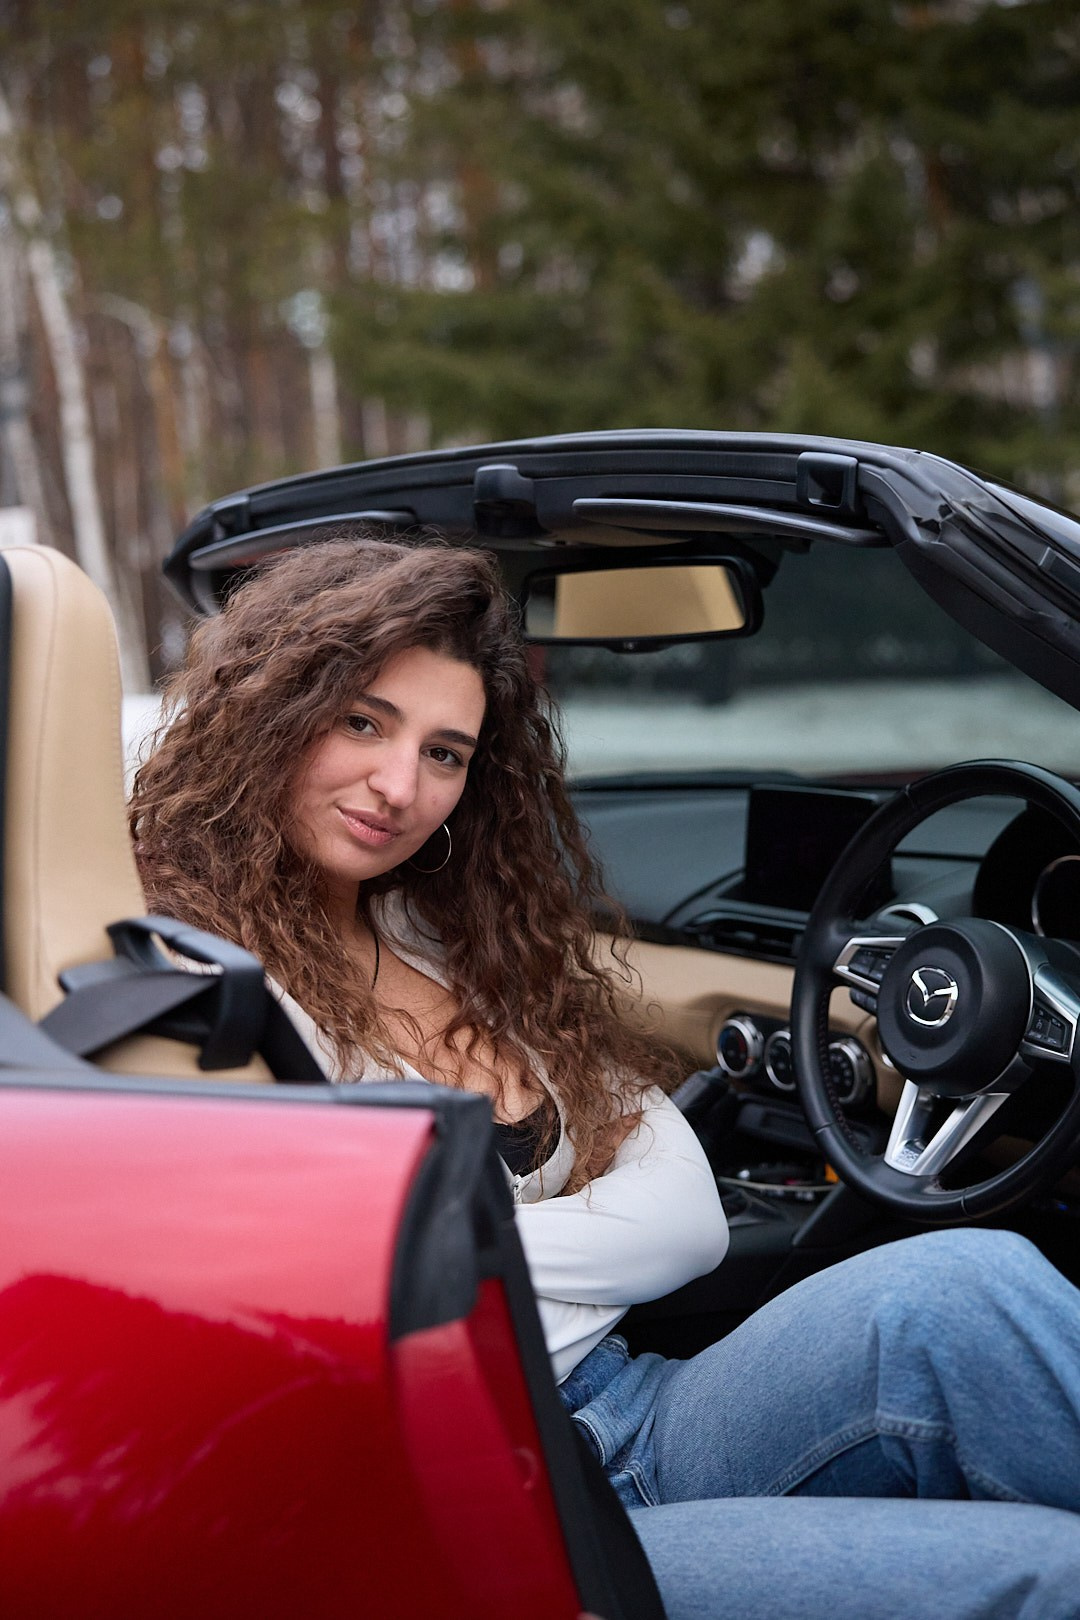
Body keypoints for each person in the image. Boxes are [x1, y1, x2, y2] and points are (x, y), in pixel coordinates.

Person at [131, 536, 1080, 1619]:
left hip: (630, 1406)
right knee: (1052, 1573)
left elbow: (687, 1217)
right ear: (269, 712)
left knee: (966, 1285)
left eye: (445, 753)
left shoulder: (438, 937)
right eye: (362, 723)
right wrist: (478, 1256)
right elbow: (334, 1294)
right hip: (500, 1516)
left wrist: (466, 1252)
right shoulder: (193, 979)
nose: (400, 787)